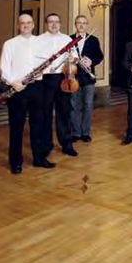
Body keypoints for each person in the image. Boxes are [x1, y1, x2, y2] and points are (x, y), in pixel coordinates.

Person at [1, 14, 49, 172]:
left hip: (37, 87)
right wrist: (13, 83)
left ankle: (39, 158)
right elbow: (4, 68)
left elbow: (48, 64)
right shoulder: (9, 44)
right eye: (22, 23)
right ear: (18, 26)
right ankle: (15, 162)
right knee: (16, 127)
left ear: (33, 25)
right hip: (17, 89)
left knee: (38, 125)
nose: (26, 25)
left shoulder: (41, 42)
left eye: (29, 23)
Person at [35, 12, 77, 158]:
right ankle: (47, 145)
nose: (54, 24)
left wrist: (73, 59)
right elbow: (34, 61)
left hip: (63, 78)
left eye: (56, 22)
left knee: (64, 112)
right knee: (45, 113)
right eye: (51, 22)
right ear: (46, 24)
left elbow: (75, 58)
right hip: (45, 80)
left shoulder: (67, 39)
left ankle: (67, 144)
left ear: (60, 24)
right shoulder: (38, 40)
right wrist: (47, 68)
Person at [69, 14, 103, 144]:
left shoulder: (93, 40)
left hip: (88, 78)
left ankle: (85, 132)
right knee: (74, 105)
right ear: (75, 25)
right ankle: (76, 132)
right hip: (73, 77)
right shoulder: (69, 39)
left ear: (87, 25)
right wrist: (70, 59)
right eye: (79, 23)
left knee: (88, 105)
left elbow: (99, 56)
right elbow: (64, 57)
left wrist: (90, 61)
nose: (81, 25)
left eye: (84, 23)